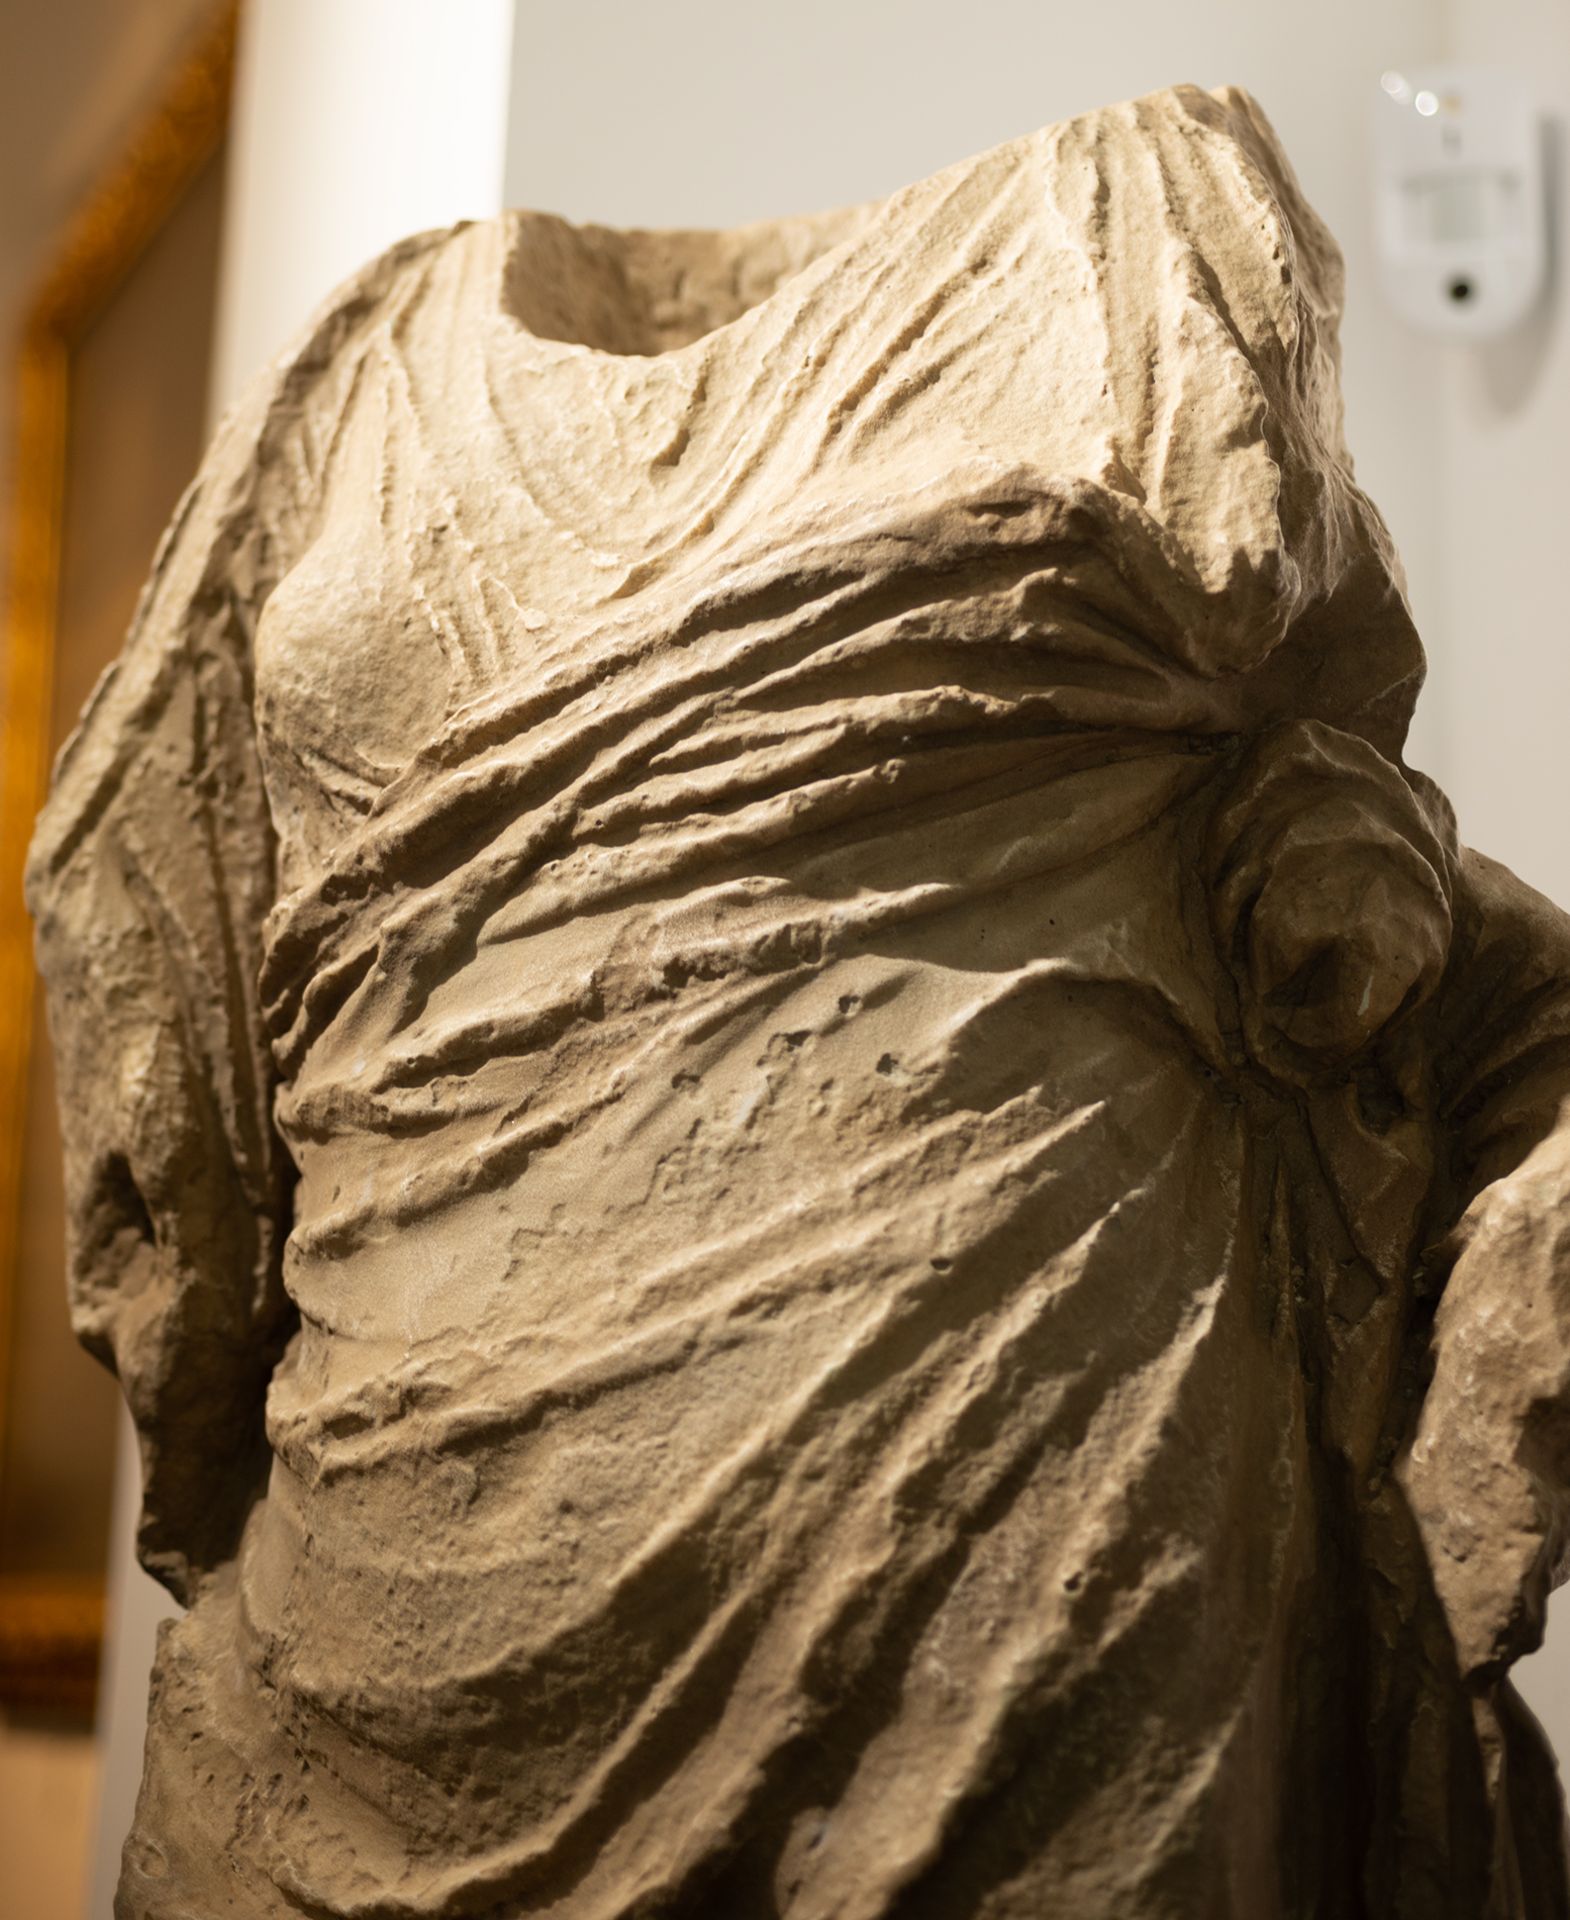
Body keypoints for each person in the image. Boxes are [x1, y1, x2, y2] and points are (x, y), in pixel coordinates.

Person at [28, 82, 1570, 1919]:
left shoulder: (1162, 229)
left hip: (1030, 1539)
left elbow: (1348, 843)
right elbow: (165, 979)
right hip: (367, 1586)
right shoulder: (357, 375)